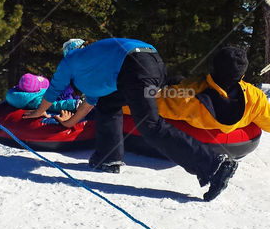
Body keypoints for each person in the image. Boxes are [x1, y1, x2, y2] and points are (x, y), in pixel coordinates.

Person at [24, 38, 239, 201]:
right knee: (109, 104)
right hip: (151, 60)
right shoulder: (99, 62)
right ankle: (108, 159)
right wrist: (69, 123)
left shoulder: (71, 59)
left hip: (135, 66)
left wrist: (37, 112)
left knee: (150, 126)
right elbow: (92, 102)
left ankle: (215, 166)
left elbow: (53, 90)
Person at [148, 45, 270, 134]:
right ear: (242, 75)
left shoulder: (188, 95)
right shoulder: (254, 97)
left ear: (213, 69)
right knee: (178, 80)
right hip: (236, 143)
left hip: (193, 128)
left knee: (175, 80)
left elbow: (140, 104)